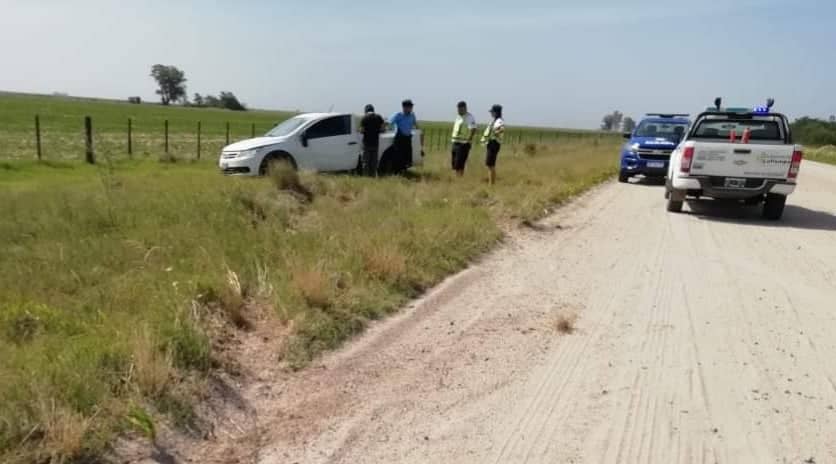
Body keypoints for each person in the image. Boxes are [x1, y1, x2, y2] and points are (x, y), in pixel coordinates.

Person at [389, 99, 420, 173]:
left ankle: (404, 170)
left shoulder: (412, 115)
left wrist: (419, 130)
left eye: (411, 106)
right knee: (398, 155)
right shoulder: (398, 115)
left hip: (408, 138)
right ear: (404, 107)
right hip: (399, 138)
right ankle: (396, 172)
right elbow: (389, 122)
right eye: (409, 106)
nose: (411, 108)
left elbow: (416, 124)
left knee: (407, 156)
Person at [450, 101, 477, 177]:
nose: (458, 110)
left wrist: (468, 140)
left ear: (464, 108)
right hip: (455, 142)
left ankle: (459, 179)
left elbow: (473, 129)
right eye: (457, 109)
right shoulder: (458, 117)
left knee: (460, 162)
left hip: (463, 143)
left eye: (460, 109)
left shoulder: (469, 117)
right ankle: (457, 177)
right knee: (454, 163)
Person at [481, 104, 505, 185]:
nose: (491, 113)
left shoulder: (499, 121)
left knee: (490, 164)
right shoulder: (494, 121)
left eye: (492, 112)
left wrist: (494, 133)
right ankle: (491, 183)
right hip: (491, 143)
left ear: (496, 112)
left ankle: (491, 184)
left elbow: (501, 130)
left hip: (494, 143)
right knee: (489, 164)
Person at [359, 104, 385, 176]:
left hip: (366, 144)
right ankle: (373, 176)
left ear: (366, 111)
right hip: (375, 143)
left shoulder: (364, 118)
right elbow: (383, 129)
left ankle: (366, 177)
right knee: (374, 162)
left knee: (366, 162)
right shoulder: (379, 117)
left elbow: (361, 130)